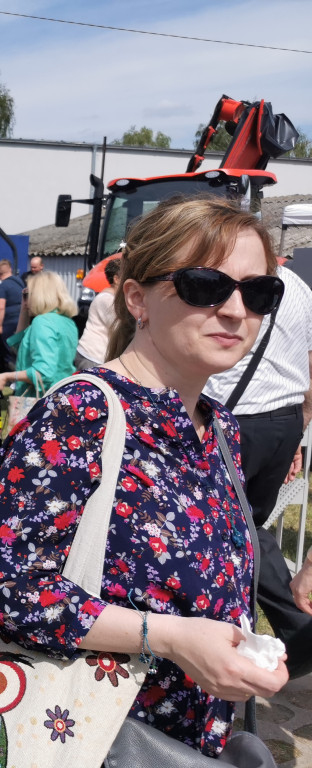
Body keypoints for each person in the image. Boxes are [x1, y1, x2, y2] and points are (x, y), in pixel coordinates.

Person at [0, 197, 289, 760]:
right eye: (205, 285)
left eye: (258, 293)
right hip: (91, 737)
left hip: (188, 741)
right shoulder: (84, 414)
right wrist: (167, 636)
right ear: (136, 298)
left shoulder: (221, 429)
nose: (236, 310)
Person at [205, 252, 312, 679]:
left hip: (236, 418)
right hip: (283, 419)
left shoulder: (220, 278)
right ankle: (292, 627)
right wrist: (299, 432)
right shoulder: (300, 289)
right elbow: (307, 365)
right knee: (250, 525)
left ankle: (233, 632)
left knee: (222, 526)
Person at [0, 270, 77, 397]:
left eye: (28, 294)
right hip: (61, 394)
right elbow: (20, 347)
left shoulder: (42, 322)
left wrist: (7, 376)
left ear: (39, 295)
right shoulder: (67, 322)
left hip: (39, 399)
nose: (25, 299)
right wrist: (24, 309)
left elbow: (43, 372)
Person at [76, 256, 122, 369]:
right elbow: (120, 329)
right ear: (116, 279)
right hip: (93, 357)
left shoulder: (111, 298)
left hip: (96, 357)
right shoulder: (107, 299)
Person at [0, 258, 25, 339]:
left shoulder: (2, 287)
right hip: (23, 320)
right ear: (10, 269)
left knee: (8, 348)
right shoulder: (20, 283)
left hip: (10, 322)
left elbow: (0, 307)